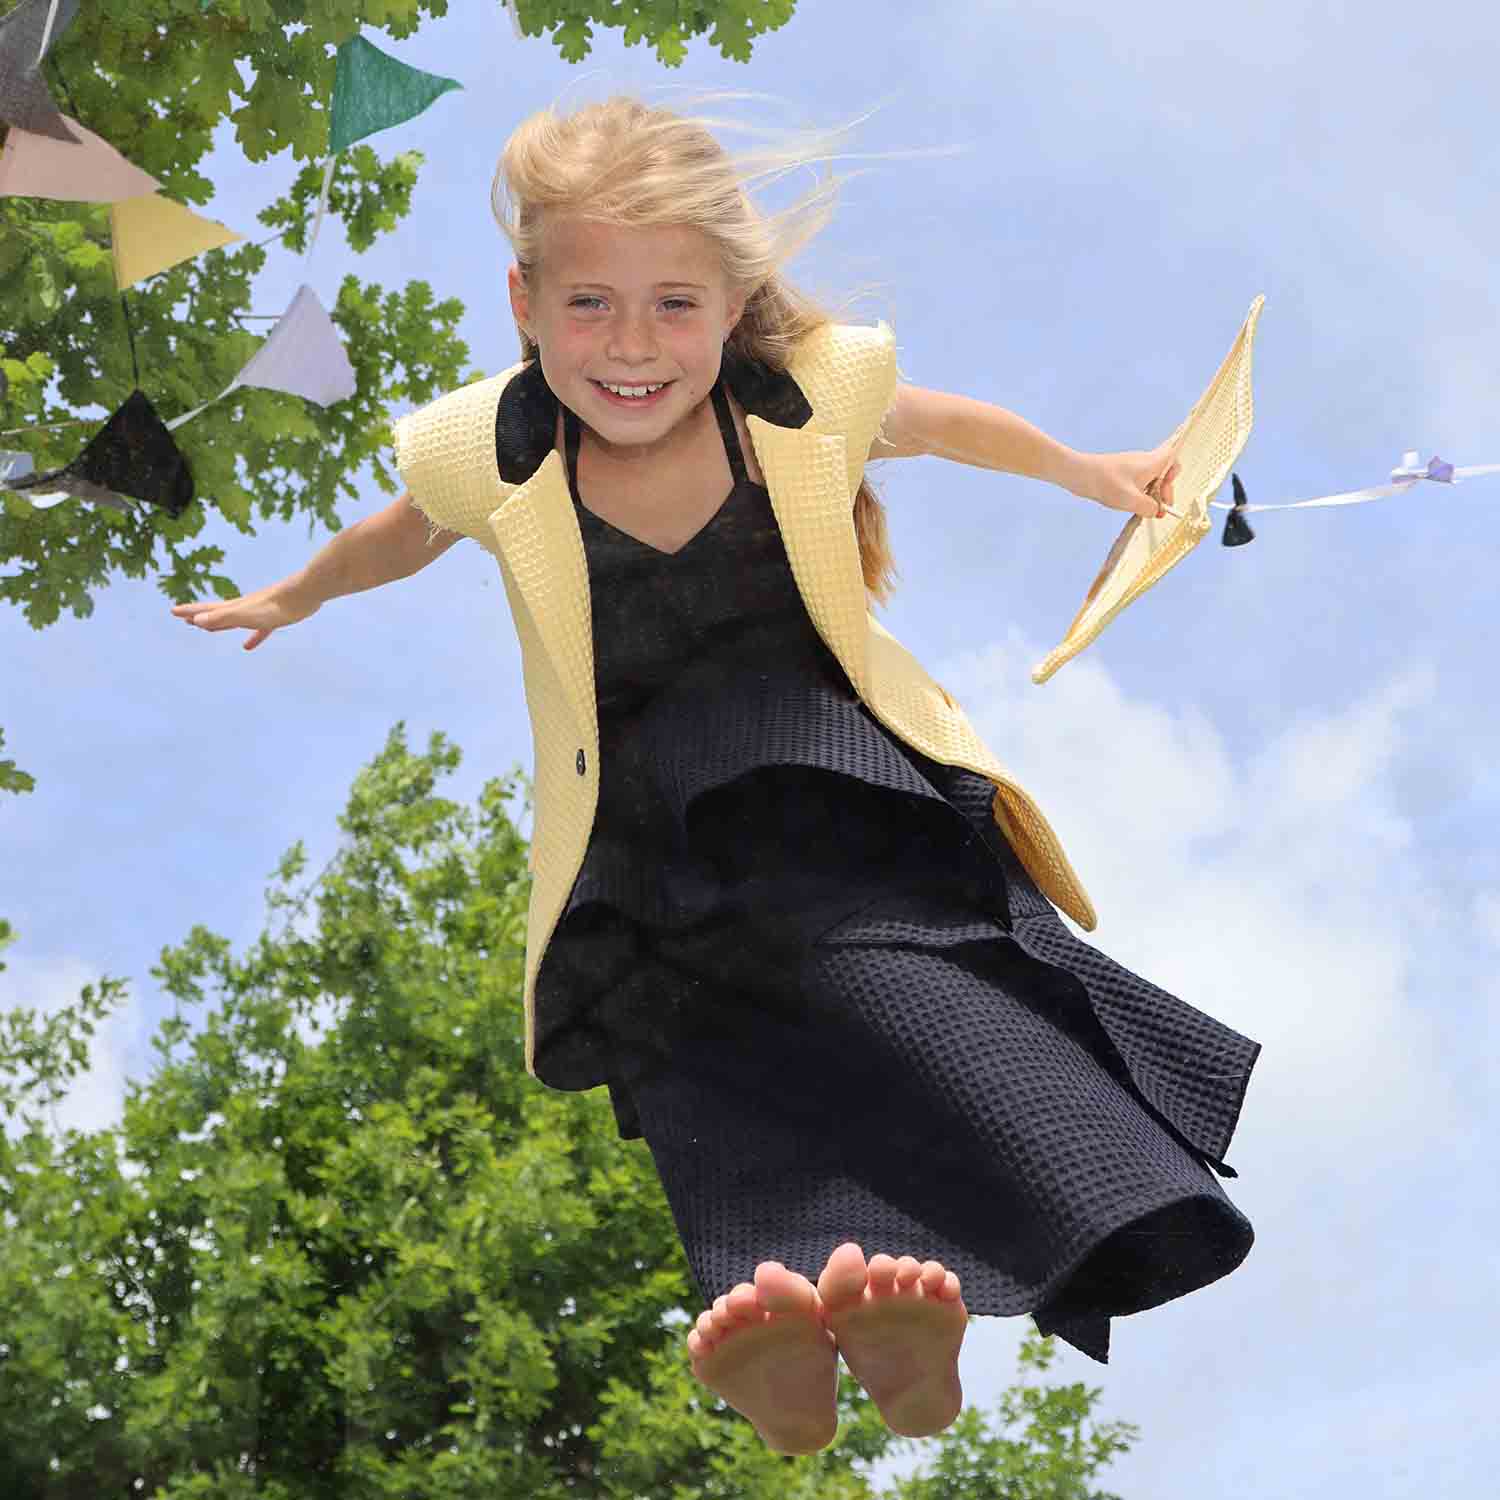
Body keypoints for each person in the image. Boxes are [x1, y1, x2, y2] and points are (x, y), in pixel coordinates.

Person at [172, 92, 1258, 1457]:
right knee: (707, 1071)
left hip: (834, 794)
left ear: (735, 299)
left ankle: (931, 1358)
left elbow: (942, 426)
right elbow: (393, 539)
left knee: (942, 1019)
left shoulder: (800, 399)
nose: (633, 346)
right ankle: (805, 1338)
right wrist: (291, 596)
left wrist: (1094, 473)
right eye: (590, 306)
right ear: (524, 300)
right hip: (646, 846)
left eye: (674, 304)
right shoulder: (492, 454)